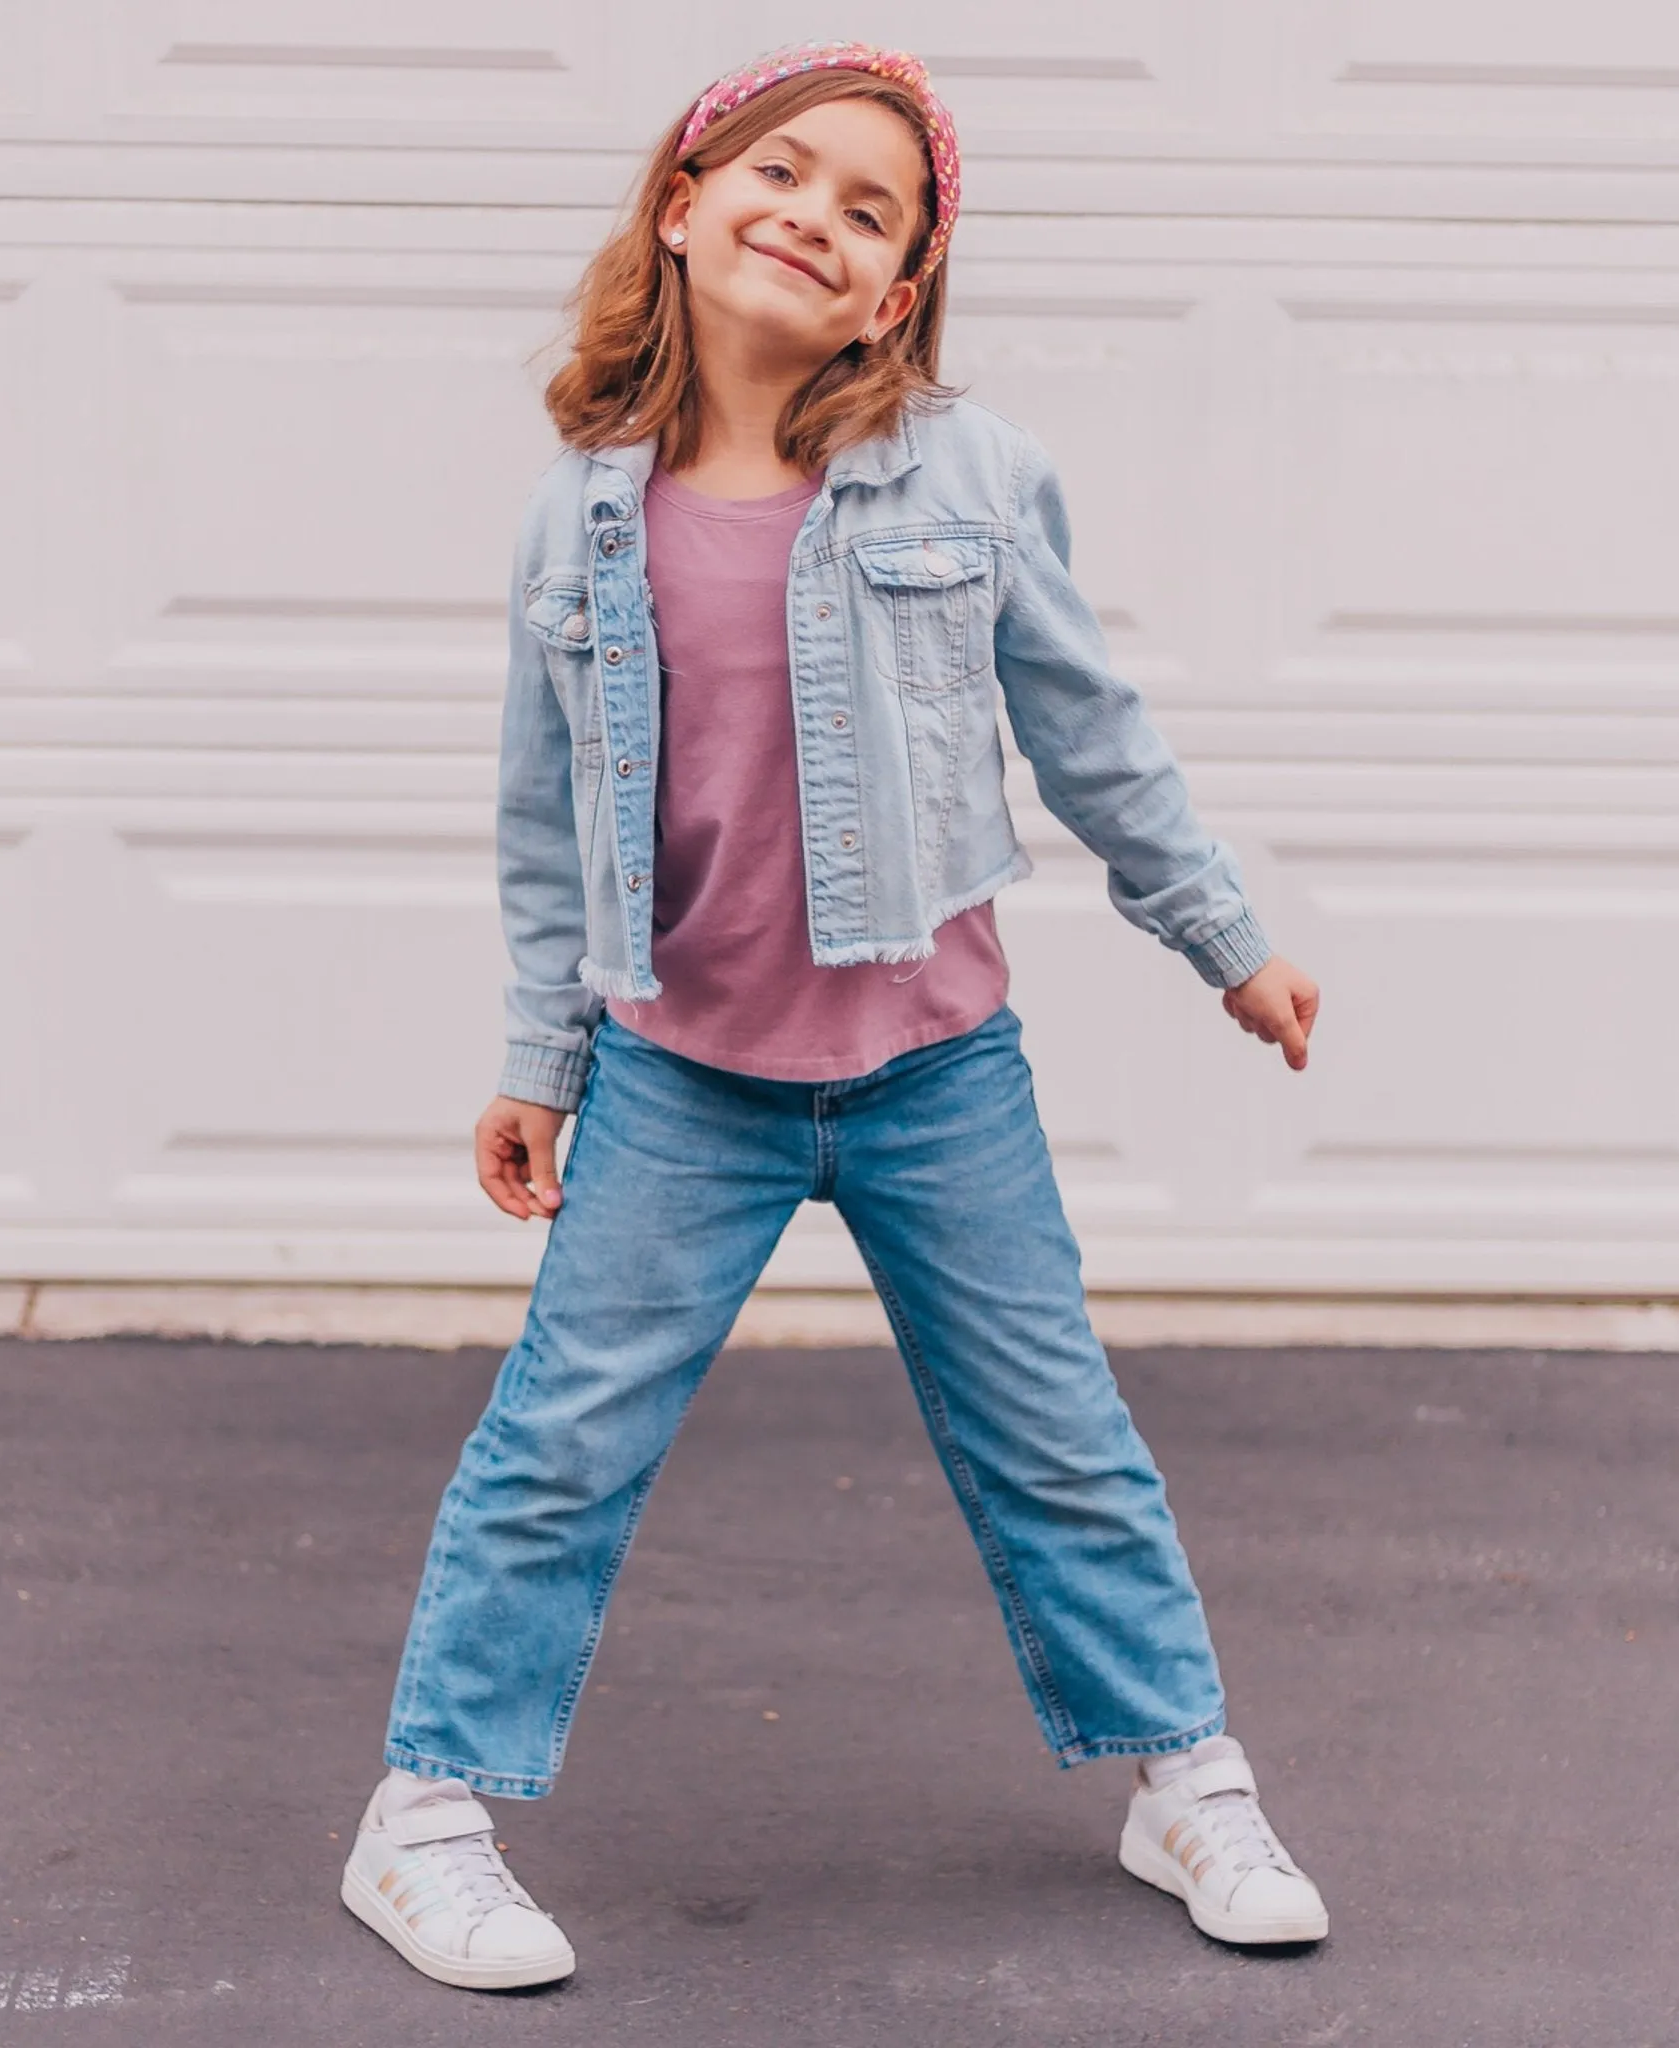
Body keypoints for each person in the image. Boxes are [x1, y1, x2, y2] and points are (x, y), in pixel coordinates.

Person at [339, 42, 1327, 1991]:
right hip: (677, 1082)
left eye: (868, 208)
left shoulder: (966, 474)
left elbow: (1088, 727)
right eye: (779, 172)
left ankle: (1180, 1774)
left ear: (896, 292)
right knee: (559, 1443)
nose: (812, 212)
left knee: (1055, 1433)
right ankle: (423, 1814)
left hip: (934, 1073)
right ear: (684, 202)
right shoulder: (579, 520)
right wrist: (539, 1057)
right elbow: (544, 821)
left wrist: (1219, 933)